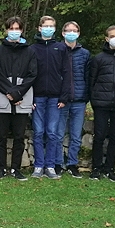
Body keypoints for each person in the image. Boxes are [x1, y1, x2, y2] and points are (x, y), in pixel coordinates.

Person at [0, 17, 36, 181]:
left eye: (17, 28)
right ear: (6, 30)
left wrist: (17, 93)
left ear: (22, 30)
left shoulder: (29, 51)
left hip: (22, 99)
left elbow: (32, 74)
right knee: (0, 136)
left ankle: (16, 168)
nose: (14, 31)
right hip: (2, 97)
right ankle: (1, 168)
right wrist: (9, 92)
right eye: (11, 28)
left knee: (18, 136)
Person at [88, 25, 115, 182]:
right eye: (112, 35)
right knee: (99, 136)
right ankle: (96, 168)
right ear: (106, 39)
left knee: (114, 137)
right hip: (101, 103)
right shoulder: (99, 58)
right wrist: (93, 99)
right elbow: (91, 80)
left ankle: (110, 168)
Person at [30, 16, 72, 179]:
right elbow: (29, 75)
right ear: (39, 28)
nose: (48, 28)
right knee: (38, 131)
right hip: (38, 97)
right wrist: (30, 98)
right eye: (45, 26)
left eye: (51, 26)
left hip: (55, 98)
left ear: (55, 29)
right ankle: (38, 166)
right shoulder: (32, 49)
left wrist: (64, 97)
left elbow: (66, 73)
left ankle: (50, 165)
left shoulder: (61, 48)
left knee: (52, 132)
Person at [57, 21, 90, 179]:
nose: (71, 33)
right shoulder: (57, 50)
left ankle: (72, 163)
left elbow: (87, 76)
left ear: (78, 33)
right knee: (58, 134)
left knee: (76, 135)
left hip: (79, 100)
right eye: (68, 30)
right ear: (63, 33)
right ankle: (58, 162)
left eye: (74, 30)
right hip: (61, 100)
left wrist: (85, 96)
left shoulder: (85, 53)